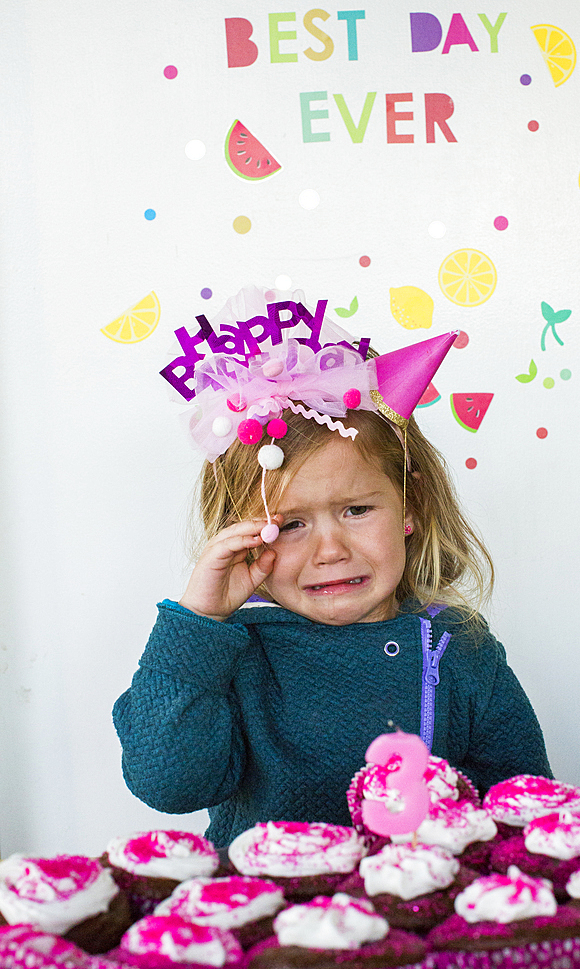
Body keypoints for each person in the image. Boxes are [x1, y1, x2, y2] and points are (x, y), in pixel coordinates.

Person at [113, 287, 552, 847]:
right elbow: (166, 784)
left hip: (423, 919)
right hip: (269, 921)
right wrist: (196, 623)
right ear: (243, 536)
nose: (330, 550)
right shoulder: (232, 653)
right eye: (291, 524)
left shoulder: (458, 648)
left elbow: (528, 812)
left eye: (357, 510)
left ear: (408, 507)